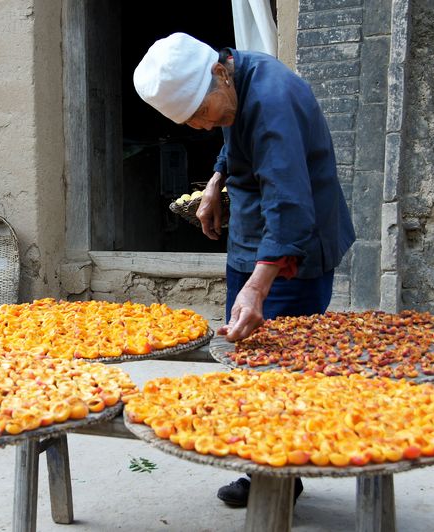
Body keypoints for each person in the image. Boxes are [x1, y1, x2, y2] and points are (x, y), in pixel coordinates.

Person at [133, 33, 356, 507]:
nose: (200, 125)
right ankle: (260, 463)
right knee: (249, 358)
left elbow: (289, 201)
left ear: (219, 74)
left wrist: (258, 285)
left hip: (297, 241)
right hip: (254, 229)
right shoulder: (234, 77)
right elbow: (234, 137)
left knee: (284, 367)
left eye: (200, 113)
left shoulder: (273, 98)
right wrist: (215, 181)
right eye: (190, 119)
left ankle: (281, 476)